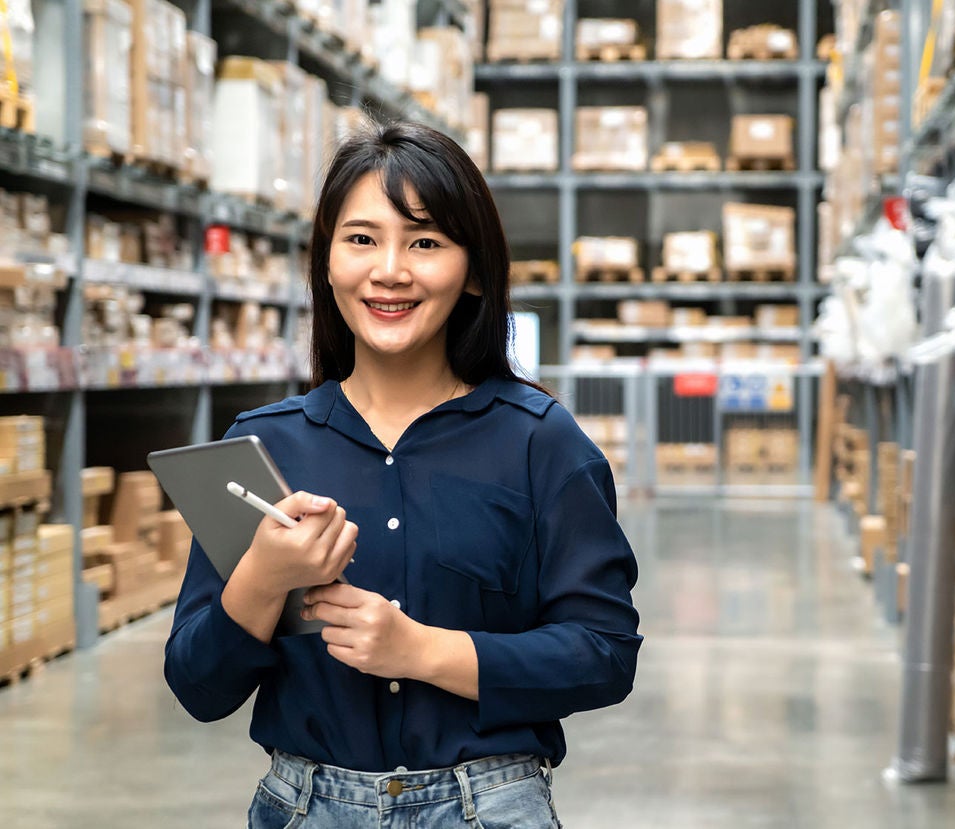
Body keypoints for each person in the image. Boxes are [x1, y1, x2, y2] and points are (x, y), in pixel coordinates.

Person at [164, 119, 642, 828]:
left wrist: (419, 650)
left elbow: (604, 653)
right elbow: (198, 686)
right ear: (326, 261)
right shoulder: (263, 448)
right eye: (361, 239)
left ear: (473, 269)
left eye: (425, 241)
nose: (390, 269)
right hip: (304, 808)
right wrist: (263, 577)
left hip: (491, 807)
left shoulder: (541, 441)